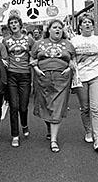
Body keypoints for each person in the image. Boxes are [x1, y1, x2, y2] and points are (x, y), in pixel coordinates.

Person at [32, 19, 76, 153]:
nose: (58, 30)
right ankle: (50, 128)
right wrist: (36, 69)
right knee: (45, 105)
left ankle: (54, 140)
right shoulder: (39, 43)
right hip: (42, 78)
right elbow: (32, 58)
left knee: (57, 107)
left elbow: (73, 59)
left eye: (60, 28)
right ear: (49, 30)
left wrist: (70, 68)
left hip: (62, 78)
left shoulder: (68, 44)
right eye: (55, 27)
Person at [70, 13, 98, 153]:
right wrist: (72, 64)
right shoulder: (75, 40)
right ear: (80, 26)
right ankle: (88, 131)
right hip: (80, 77)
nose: (87, 24)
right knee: (85, 108)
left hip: (95, 75)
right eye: (84, 22)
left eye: (89, 22)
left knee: (96, 108)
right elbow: (71, 57)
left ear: (93, 25)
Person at [3, 15, 35, 147]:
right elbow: (3, 55)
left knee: (23, 106)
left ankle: (24, 124)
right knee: (14, 106)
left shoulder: (29, 39)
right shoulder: (6, 41)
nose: (14, 25)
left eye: (16, 22)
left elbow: (35, 54)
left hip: (25, 75)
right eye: (11, 23)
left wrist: (33, 62)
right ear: (9, 26)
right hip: (12, 75)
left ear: (20, 25)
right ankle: (15, 134)